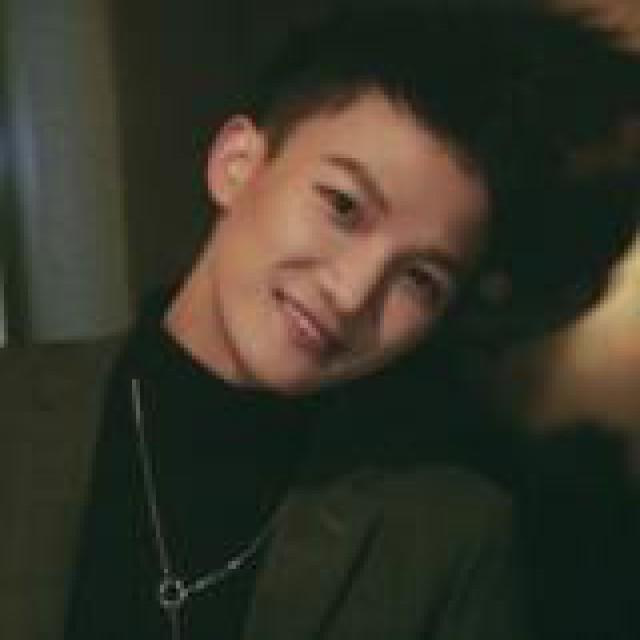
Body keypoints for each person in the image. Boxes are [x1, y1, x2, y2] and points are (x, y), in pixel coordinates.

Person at [1, 6, 639, 640]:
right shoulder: (19, 411)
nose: (354, 293)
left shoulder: (448, 538)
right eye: (343, 206)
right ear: (237, 164)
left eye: (420, 279)